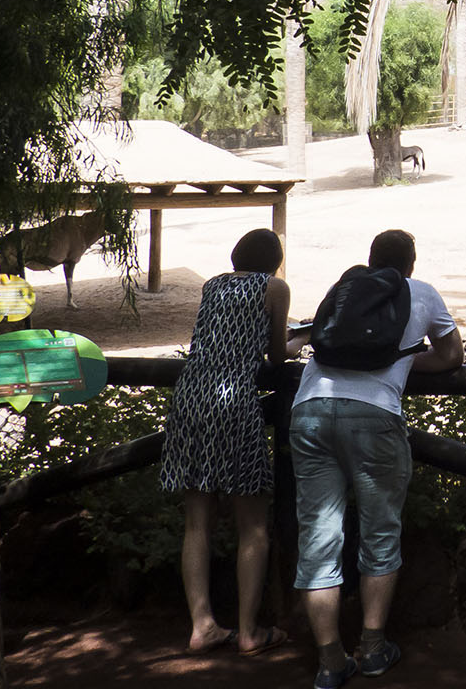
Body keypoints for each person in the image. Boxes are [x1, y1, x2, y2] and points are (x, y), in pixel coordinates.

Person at [288, 229, 463, 685]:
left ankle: (329, 662)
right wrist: (405, 363)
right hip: (374, 417)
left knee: (318, 536)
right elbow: (451, 355)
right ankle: (372, 649)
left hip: (308, 412)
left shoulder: (344, 290)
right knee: (379, 530)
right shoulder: (420, 293)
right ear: (411, 263)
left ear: (370, 259)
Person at [159, 228, 296, 655]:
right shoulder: (275, 287)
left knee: (197, 521)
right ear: (274, 260)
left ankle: (203, 625)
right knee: (252, 522)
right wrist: (301, 339)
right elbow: (276, 353)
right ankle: (249, 631)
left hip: (191, 393)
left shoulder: (213, 284)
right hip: (233, 397)